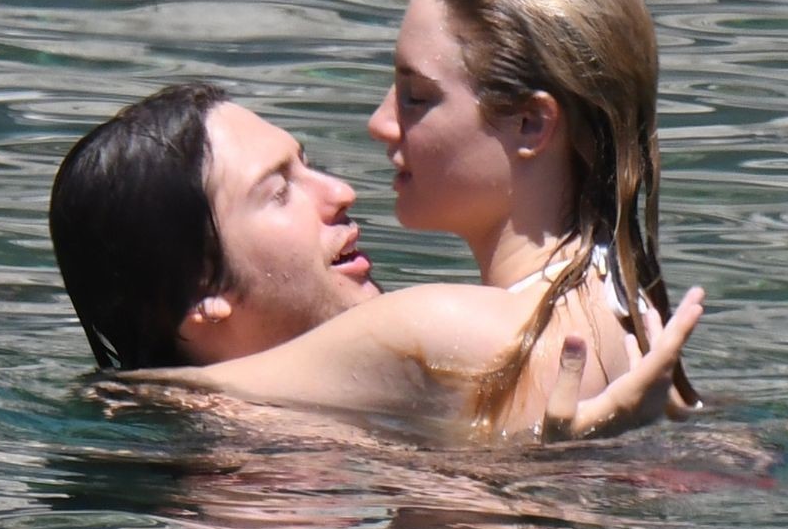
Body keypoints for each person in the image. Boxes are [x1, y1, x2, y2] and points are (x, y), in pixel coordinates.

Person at [52, 0, 702, 441]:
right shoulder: (634, 313)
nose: (379, 125)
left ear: (533, 124)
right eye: (279, 189)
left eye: (417, 96)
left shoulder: (448, 328)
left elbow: (145, 397)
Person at [50, 78, 690, 440]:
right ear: (202, 291)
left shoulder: (281, 430)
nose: (340, 192)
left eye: (309, 165)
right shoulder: (231, 499)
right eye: (279, 192)